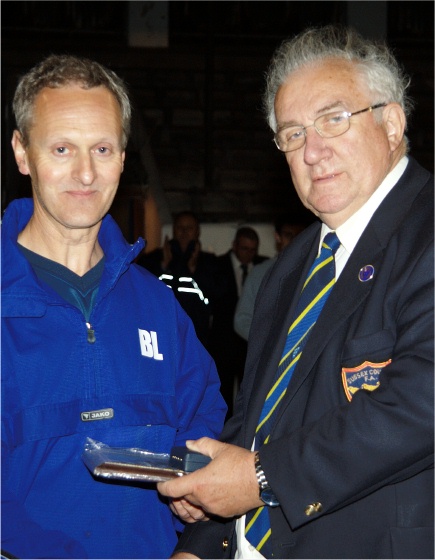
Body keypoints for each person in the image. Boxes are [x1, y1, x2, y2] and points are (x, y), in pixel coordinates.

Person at [157, 25, 434, 559]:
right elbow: (255, 418)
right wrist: (204, 538)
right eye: (293, 133)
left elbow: (421, 405)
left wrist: (261, 477)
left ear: (392, 122)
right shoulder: (293, 266)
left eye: (333, 119)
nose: (312, 151)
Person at [1, 54, 226, 560]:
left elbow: (205, 424)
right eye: (62, 148)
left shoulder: (158, 305)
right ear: (22, 152)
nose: (85, 173)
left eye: (102, 148)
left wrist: (195, 521)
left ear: (123, 157)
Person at [137, 211, 219, 348]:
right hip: (161, 334)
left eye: (189, 228)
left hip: (196, 338)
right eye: (180, 227)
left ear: (197, 232)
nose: (184, 232)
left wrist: (194, 270)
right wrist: (163, 266)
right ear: (173, 230)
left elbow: (217, 296)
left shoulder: (210, 262)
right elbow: (140, 288)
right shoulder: (153, 259)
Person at [209, 226, 266, 417]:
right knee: (223, 392)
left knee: (248, 391)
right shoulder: (217, 266)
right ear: (234, 246)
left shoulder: (263, 267)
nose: (248, 254)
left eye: (252, 250)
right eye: (244, 249)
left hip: (250, 342)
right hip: (223, 342)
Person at [234, 218, 306, 340]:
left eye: (299, 235)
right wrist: (268, 342)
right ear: (278, 237)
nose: (294, 240)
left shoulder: (315, 270)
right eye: (288, 235)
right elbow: (242, 320)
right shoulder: (261, 273)